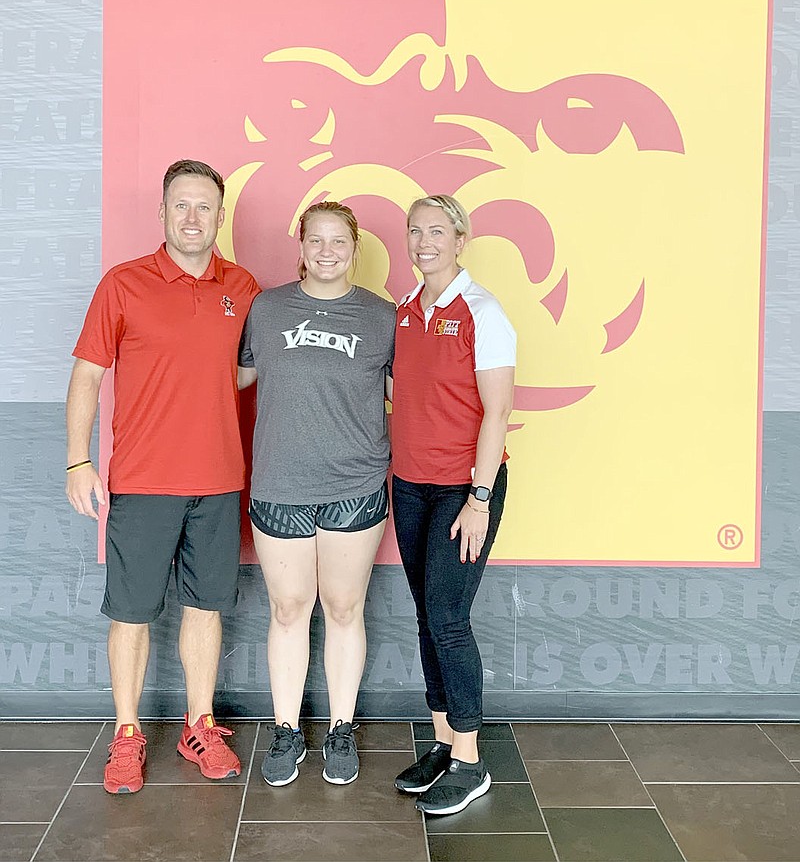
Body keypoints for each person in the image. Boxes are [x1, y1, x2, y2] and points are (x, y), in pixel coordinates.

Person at [65, 159, 260, 794]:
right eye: (182, 205)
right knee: (131, 612)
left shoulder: (244, 286)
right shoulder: (123, 285)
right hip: (143, 481)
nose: (194, 217)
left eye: (205, 206)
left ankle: (198, 725)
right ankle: (126, 735)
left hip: (220, 477)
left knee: (206, 608)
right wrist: (79, 459)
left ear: (220, 216)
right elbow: (89, 375)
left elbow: (248, 368)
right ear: (163, 214)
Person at [237, 201, 394, 787]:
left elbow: (409, 395)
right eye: (316, 241)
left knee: (344, 607)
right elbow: (232, 376)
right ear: (300, 248)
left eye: (339, 243)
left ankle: (341, 726)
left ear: (355, 251)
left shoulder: (382, 317)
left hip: (354, 484)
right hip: (280, 484)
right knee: (287, 609)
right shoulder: (267, 309)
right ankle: (285, 729)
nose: (327, 252)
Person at [389, 194, 516, 816]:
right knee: (425, 616)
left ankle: (469, 760)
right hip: (409, 486)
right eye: (415, 232)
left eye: (437, 231)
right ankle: (443, 743)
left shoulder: (482, 312)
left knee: (448, 618)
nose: (424, 242)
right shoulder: (406, 310)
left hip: (463, 491)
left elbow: (497, 412)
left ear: (460, 239)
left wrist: (480, 498)